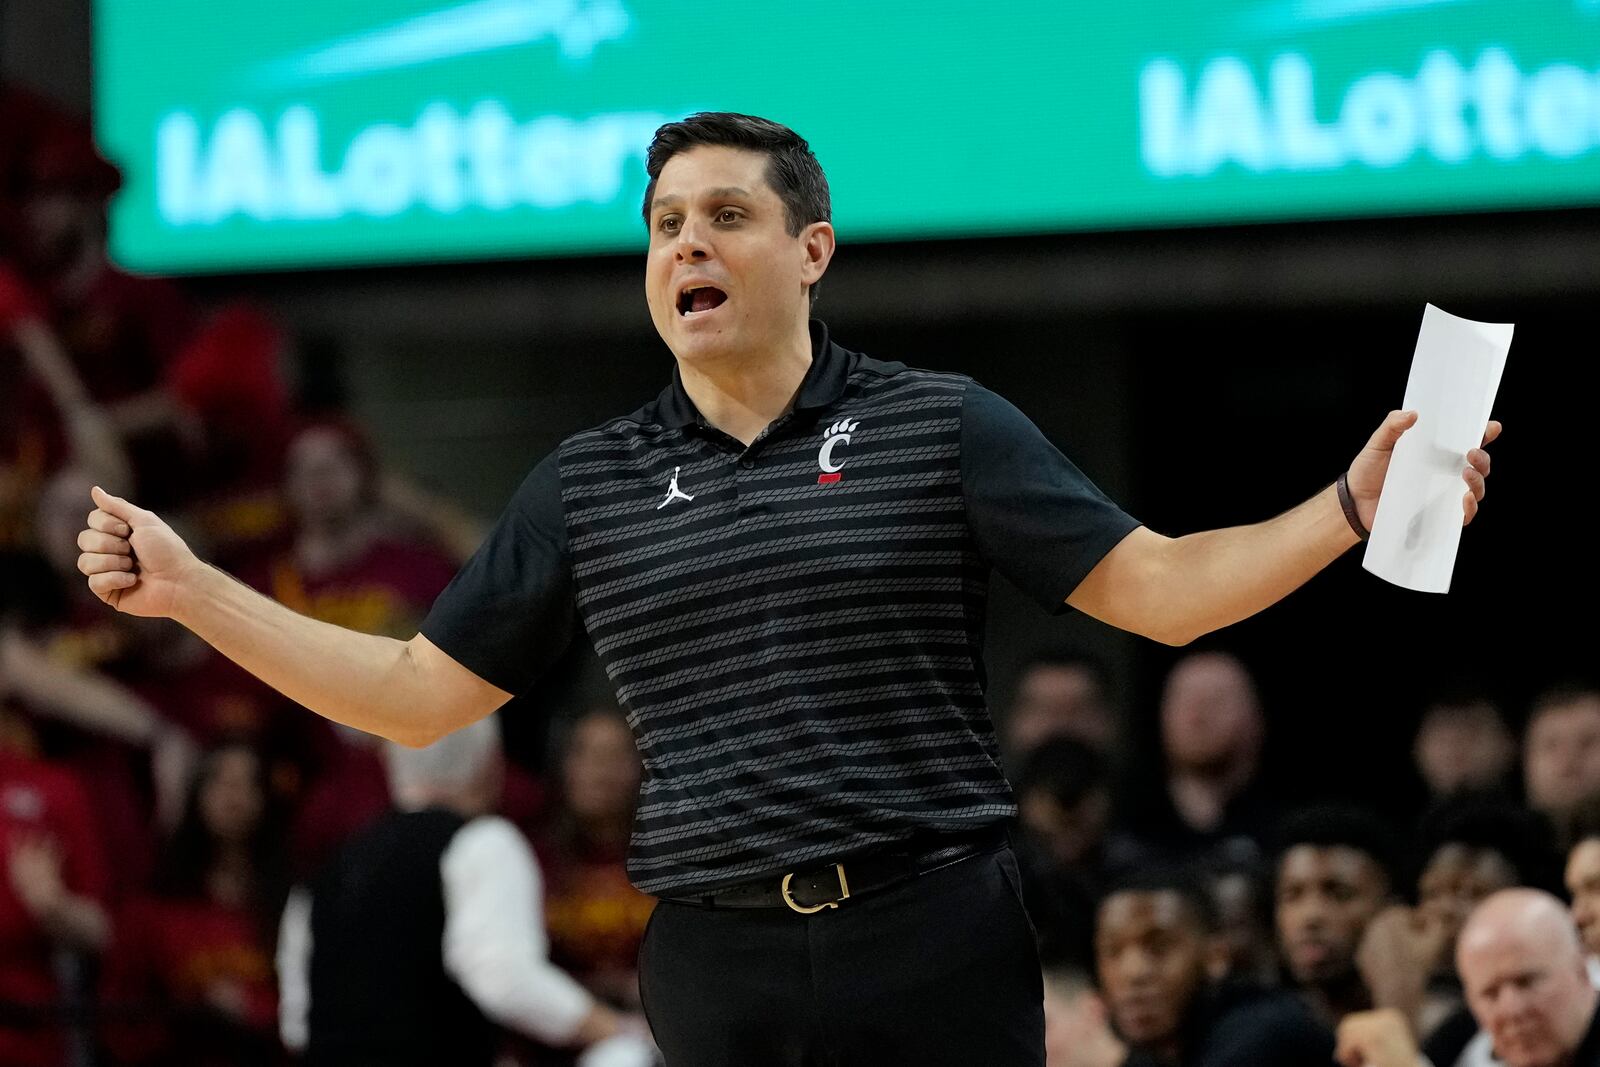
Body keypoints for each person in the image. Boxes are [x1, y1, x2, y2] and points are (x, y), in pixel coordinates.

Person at [73, 112, 1499, 1065]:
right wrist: (196, 591)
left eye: (724, 216)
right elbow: (412, 693)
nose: (684, 244)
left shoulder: (943, 422)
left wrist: (1346, 508)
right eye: (663, 223)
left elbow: (1166, 590)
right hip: (717, 956)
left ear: (811, 251)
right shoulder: (591, 479)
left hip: (933, 933)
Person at [276, 715, 650, 1066]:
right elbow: (504, 978)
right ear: (490, 765)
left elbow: (296, 1022)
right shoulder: (482, 842)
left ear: (392, 764)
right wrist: (618, 1030)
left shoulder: (328, 866)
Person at [1094, 869, 1334, 1066]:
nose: (1133, 973)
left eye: (1159, 949)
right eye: (1113, 951)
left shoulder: (1263, 1031)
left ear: (1215, 957)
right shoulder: (1150, 1055)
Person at [1336, 889, 1600, 1067]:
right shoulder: (1460, 1037)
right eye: (1490, 994)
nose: (1512, 1009)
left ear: (1581, 971)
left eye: (1527, 982)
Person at [1273, 805, 1402, 1028]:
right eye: (1293, 895)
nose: (1311, 916)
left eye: (1340, 894)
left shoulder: (1439, 1027)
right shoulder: (1258, 1033)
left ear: (1391, 908)